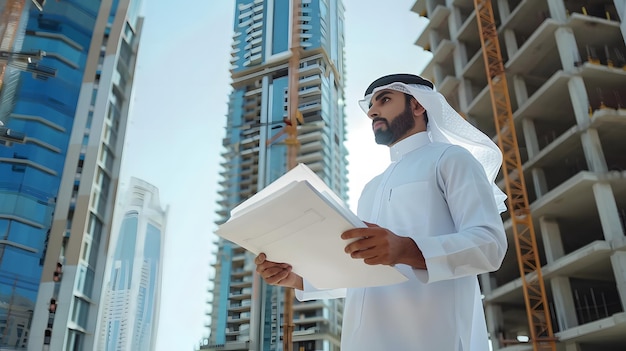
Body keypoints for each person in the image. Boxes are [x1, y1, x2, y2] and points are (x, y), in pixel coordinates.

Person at [255, 73, 508, 351]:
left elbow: (489, 245)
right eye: (371, 105)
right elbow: (363, 271)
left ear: (419, 105)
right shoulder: (370, 188)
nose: (373, 111)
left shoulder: (451, 158)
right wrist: (298, 277)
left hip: (432, 338)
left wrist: (406, 249)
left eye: (384, 100)